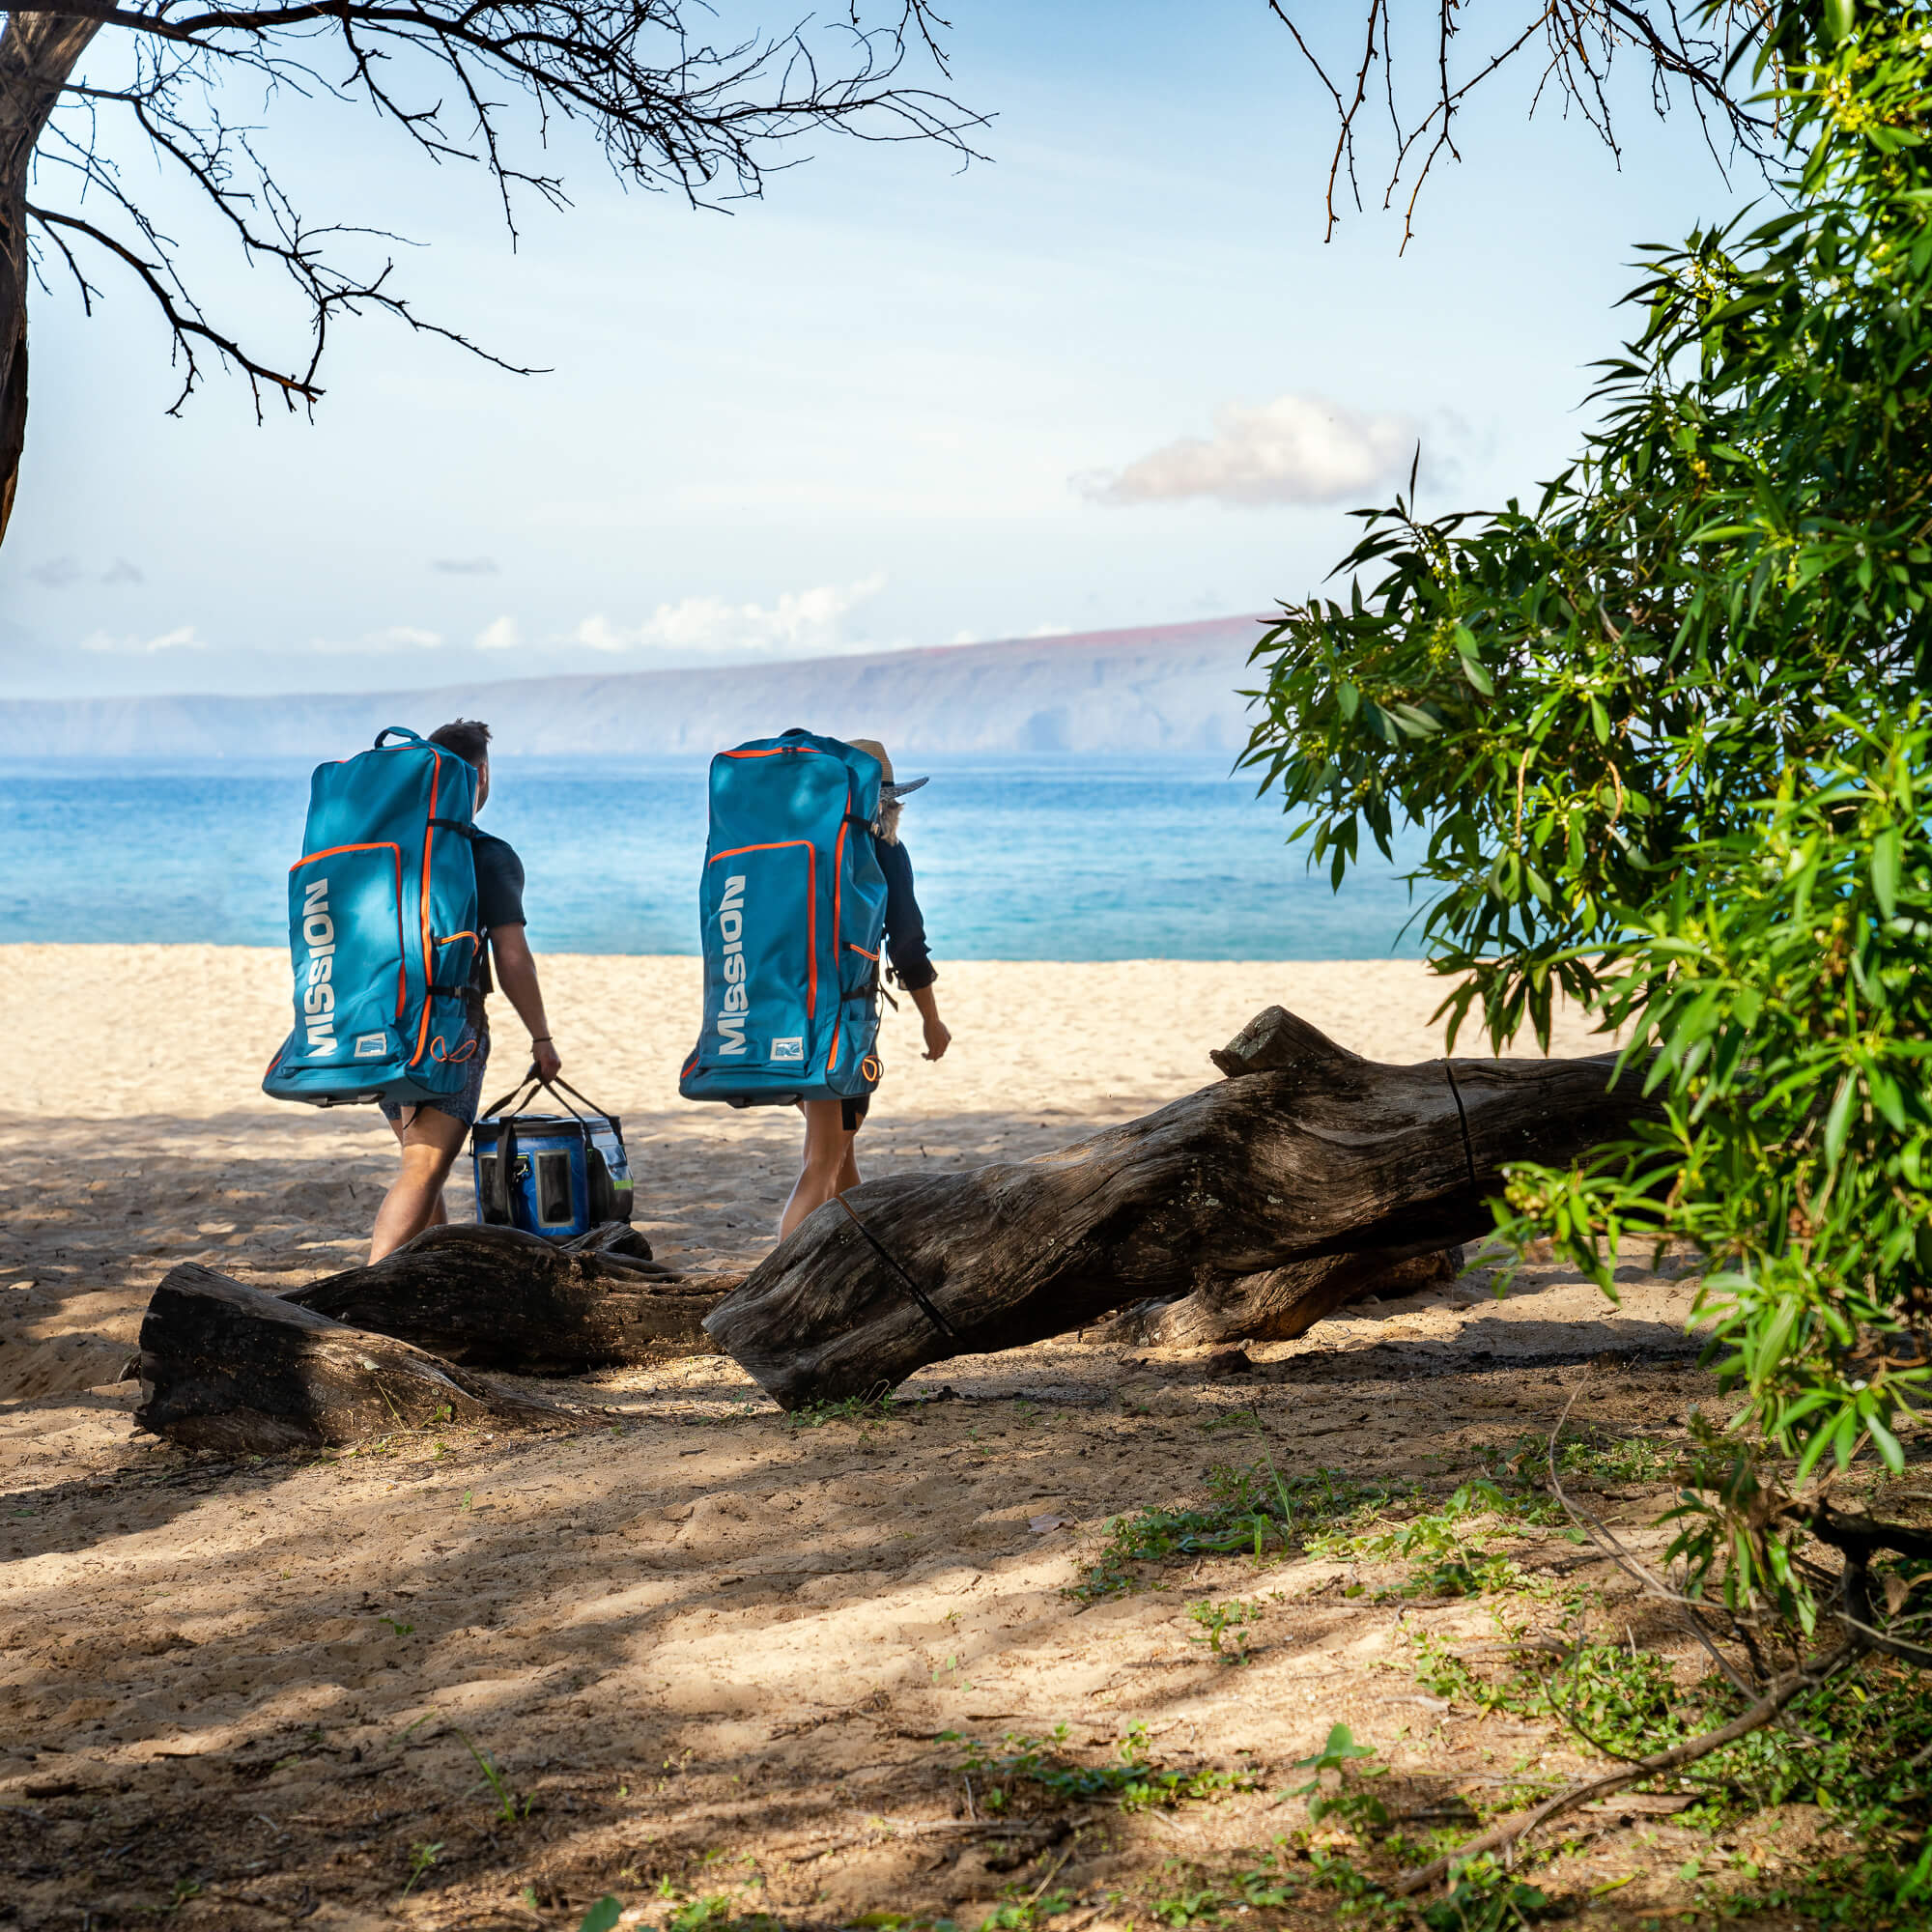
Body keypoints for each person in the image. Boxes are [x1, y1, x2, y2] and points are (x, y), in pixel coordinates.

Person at [368, 719, 562, 1261]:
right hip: (450, 1028)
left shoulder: (396, 850)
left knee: (418, 1163)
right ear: (478, 775)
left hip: (383, 1020)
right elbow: (512, 956)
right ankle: (369, 1281)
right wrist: (541, 1038)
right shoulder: (487, 854)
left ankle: (415, 1279)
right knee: (424, 1167)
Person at [778, 737, 951, 1239]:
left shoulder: (801, 844)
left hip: (787, 1010)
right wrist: (931, 1018)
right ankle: (777, 1287)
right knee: (821, 1162)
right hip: (841, 1020)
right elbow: (909, 946)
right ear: (885, 799)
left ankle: (858, 1258)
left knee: (840, 1151)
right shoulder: (881, 849)